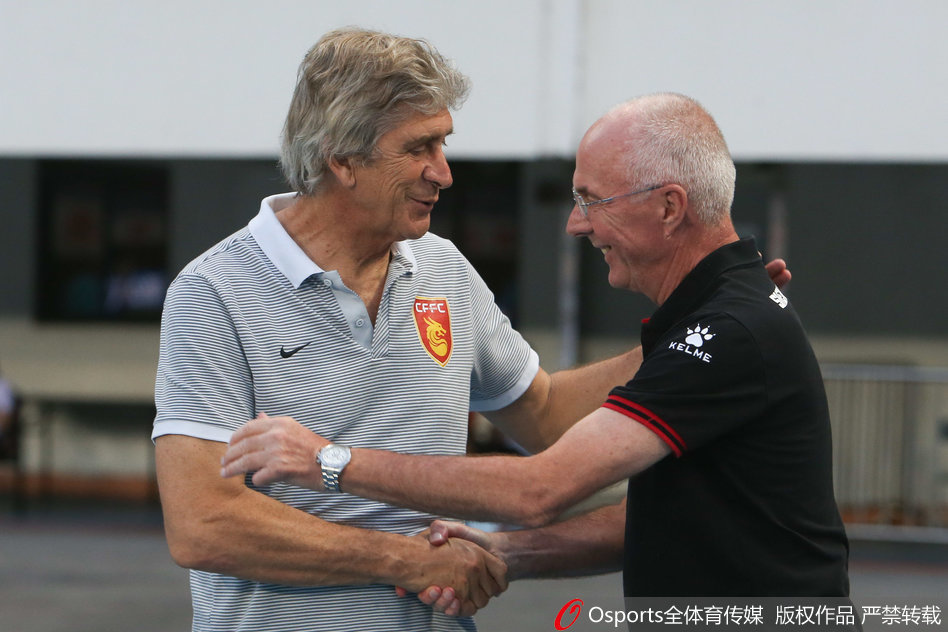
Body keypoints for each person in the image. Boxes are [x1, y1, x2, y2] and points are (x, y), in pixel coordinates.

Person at [221, 93, 849, 614]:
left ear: (669, 207)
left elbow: (540, 487)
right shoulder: (723, 317)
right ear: (340, 161)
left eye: (592, 200)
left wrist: (328, 460)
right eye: (419, 148)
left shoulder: (727, 329)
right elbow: (667, 515)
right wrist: (509, 552)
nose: (577, 224)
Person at [153, 28, 696, 632]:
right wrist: (405, 561)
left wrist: (692, 329)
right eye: (419, 148)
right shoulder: (214, 291)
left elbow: (543, 416)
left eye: (443, 143)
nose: (443, 172)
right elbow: (204, 523)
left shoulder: (444, 269)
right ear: (342, 158)